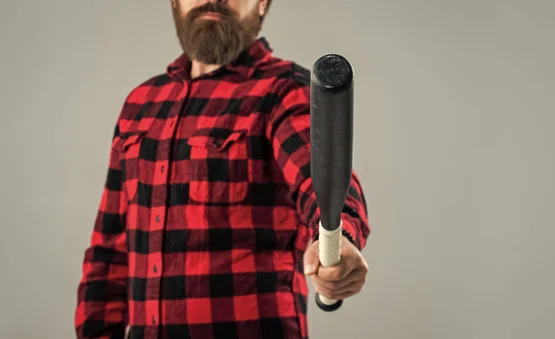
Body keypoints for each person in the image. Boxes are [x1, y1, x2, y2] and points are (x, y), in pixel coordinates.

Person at [74, 1, 371, 338]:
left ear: (262, 4)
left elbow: (323, 182)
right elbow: (108, 252)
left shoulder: (284, 91)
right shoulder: (140, 105)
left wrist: (338, 240)